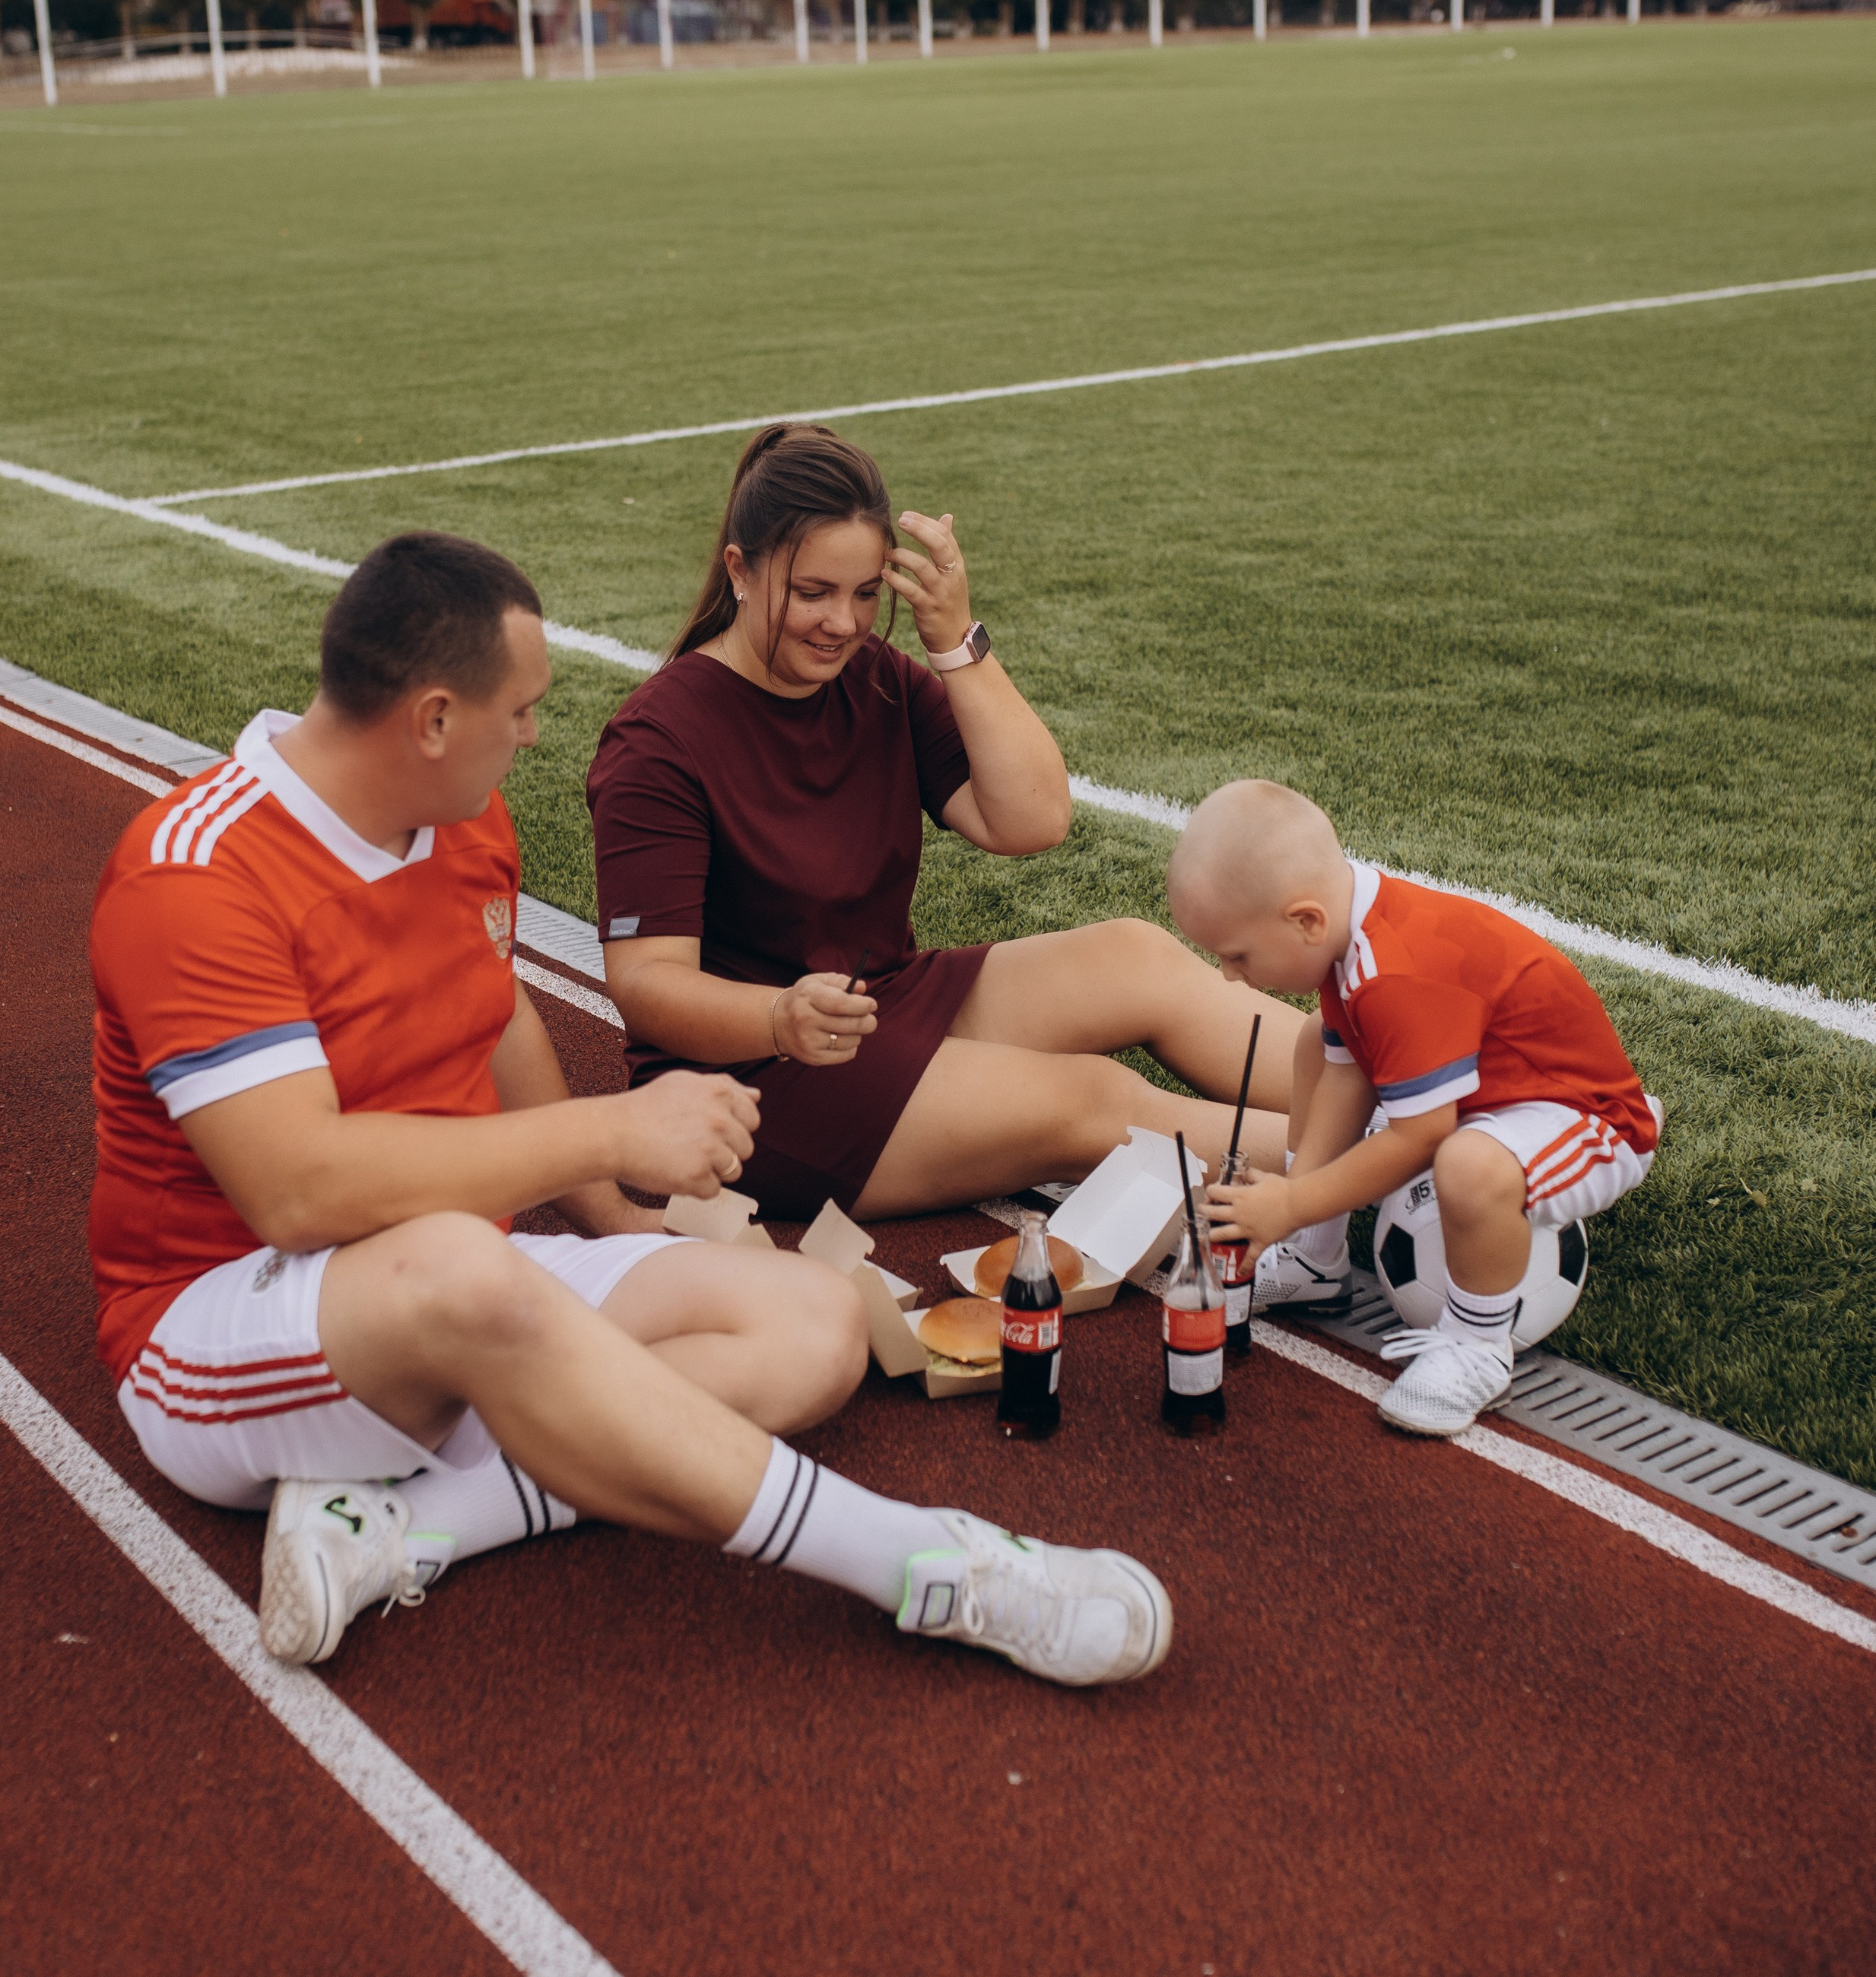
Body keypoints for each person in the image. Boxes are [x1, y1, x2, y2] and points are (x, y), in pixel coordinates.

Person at [87, 530, 1173, 1688]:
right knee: (464, 1268)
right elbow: (296, 1191)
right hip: (215, 1319)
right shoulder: (196, 876)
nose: (535, 734)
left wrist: (609, 1215)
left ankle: (417, 1520)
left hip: (452, 1270)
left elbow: (493, 1013)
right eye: (521, 710)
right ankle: (925, 1564)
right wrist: (610, 1132)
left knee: (812, 1327)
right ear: (435, 719)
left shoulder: (459, 819)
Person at [585, 424, 1297, 1227]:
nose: (843, 624)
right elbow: (646, 988)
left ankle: (1405, 1089)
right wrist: (777, 1016)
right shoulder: (659, 740)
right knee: (1092, 1103)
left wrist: (956, 645)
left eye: (865, 593)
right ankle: (1383, 1158)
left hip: (876, 1001)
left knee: (1135, 956)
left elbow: (1031, 819)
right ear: (739, 572)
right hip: (747, 1083)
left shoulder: (876, 678)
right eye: (812, 592)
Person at [1167, 778, 1662, 1438]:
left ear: (1305, 921)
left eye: (1237, 955)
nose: (1230, 974)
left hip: (1589, 1118)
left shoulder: (1389, 974)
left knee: (1466, 1165)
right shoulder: (1347, 939)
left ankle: (1478, 1346)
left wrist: (1290, 1202)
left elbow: (1420, 1137)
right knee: (1319, 1043)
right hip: (1486, 1098)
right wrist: (1296, 1205)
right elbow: (1348, 1080)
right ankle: (1316, 1261)